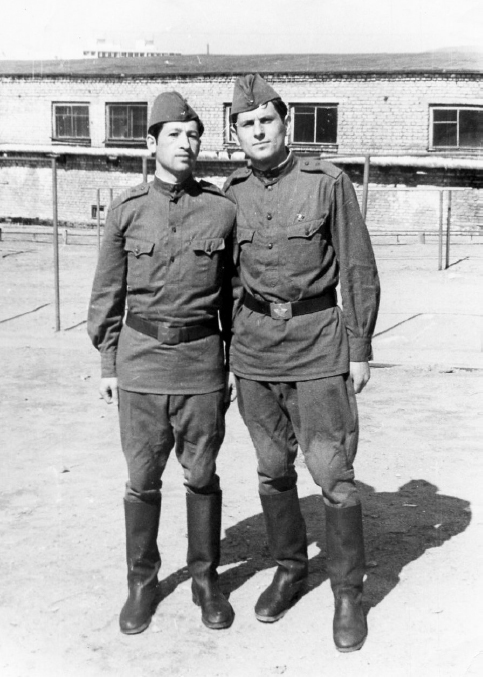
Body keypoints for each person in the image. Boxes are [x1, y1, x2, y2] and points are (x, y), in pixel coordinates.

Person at [224, 74, 380, 652]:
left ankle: (348, 593)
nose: (258, 131)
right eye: (247, 124)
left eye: (266, 120)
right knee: (271, 467)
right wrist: (228, 351)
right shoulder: (231, 192)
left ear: (285, 123)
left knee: (332, 473)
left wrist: (359, 347)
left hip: (317, 345)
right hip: (254, 349)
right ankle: (290, 568)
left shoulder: (327, 183)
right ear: (236, 134)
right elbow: (225, 280)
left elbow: (357, 267)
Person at [87, 91, 236, 635]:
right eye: (174, 135)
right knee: (142, 478)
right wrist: (109, 363)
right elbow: (107, 294)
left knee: (202, 475)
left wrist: (232, 364)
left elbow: (233, 296)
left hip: (201, 364)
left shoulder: (222, 209)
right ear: (152, 143)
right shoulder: (127, 211)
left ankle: (205, 580)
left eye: (193, 135)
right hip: (141, 364)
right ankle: (141, 583)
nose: (186, 144)